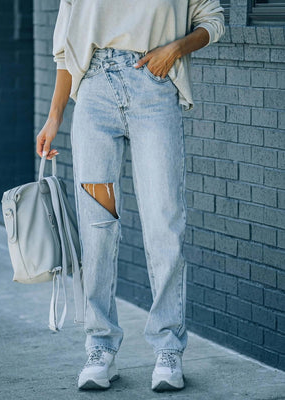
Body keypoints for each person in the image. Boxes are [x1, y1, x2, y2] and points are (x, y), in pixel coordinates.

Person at [36, 0, 225, 392]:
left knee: (163, 222)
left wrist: (174, 50)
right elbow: (64, 48)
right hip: (94, 101)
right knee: (97, 226)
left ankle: (168, 348)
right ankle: (99, 347)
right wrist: (54, 117)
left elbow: (212, 21)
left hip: (154, 94)